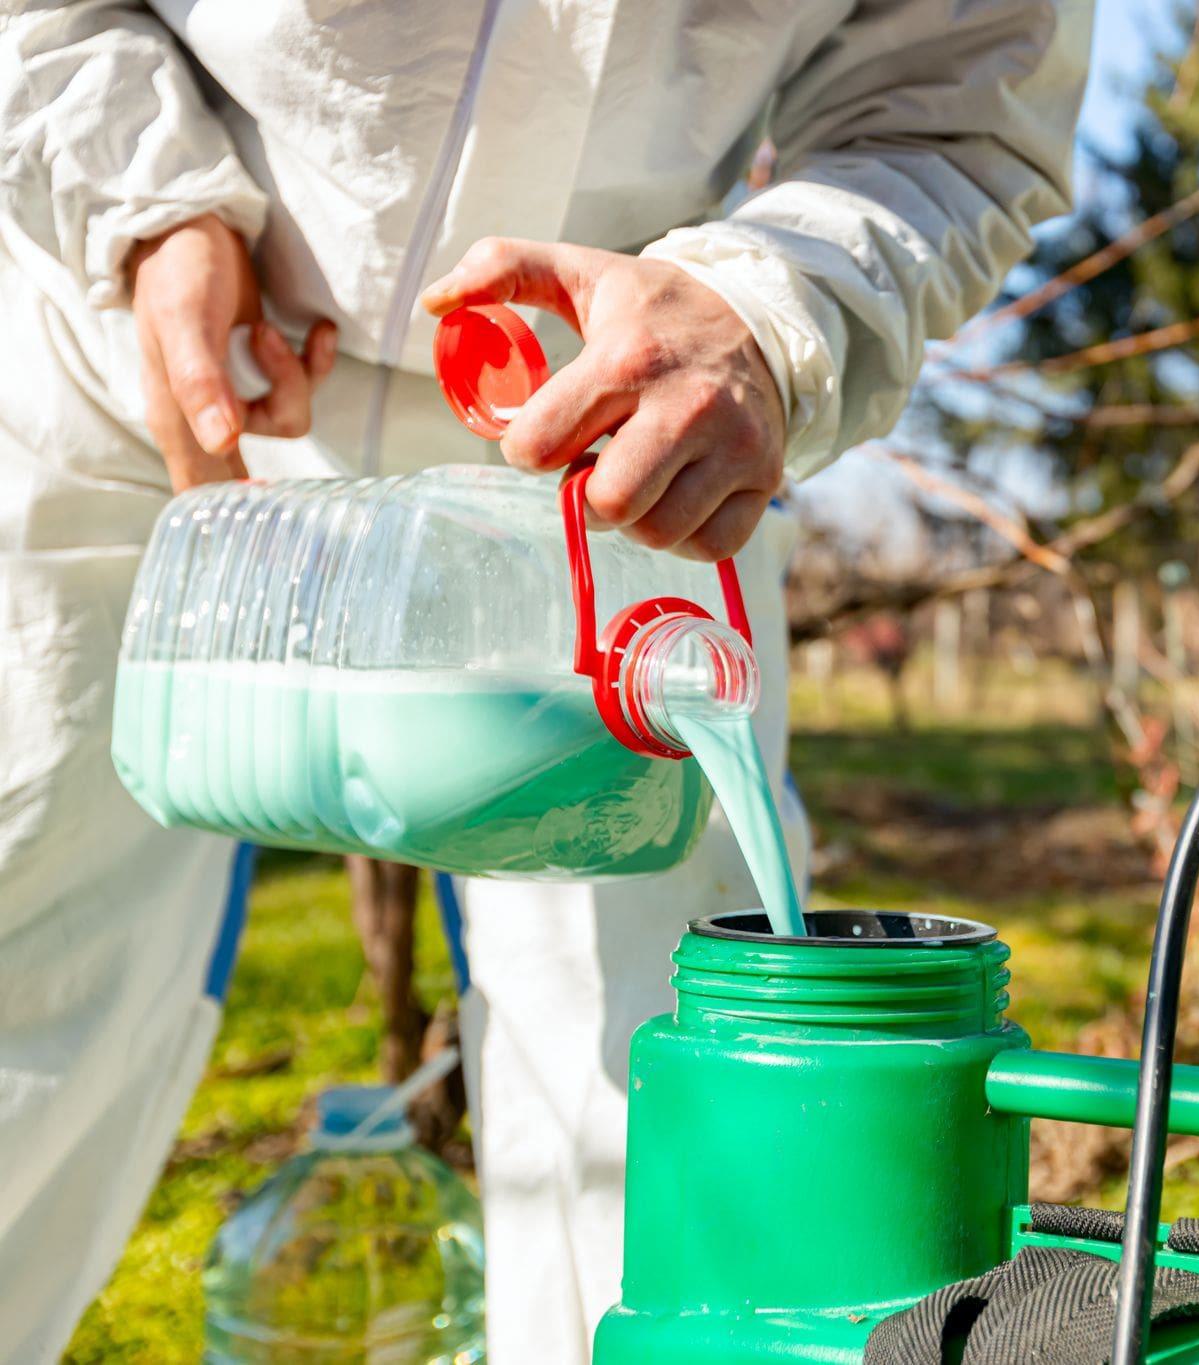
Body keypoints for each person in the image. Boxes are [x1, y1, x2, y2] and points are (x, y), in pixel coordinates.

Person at [0, 2, 1091, 1359]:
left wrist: (769, 306)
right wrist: (146, 205)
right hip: (136, 334)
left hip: (625, 407)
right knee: (20, 946)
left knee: (675, 1071)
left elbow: (960, 97)